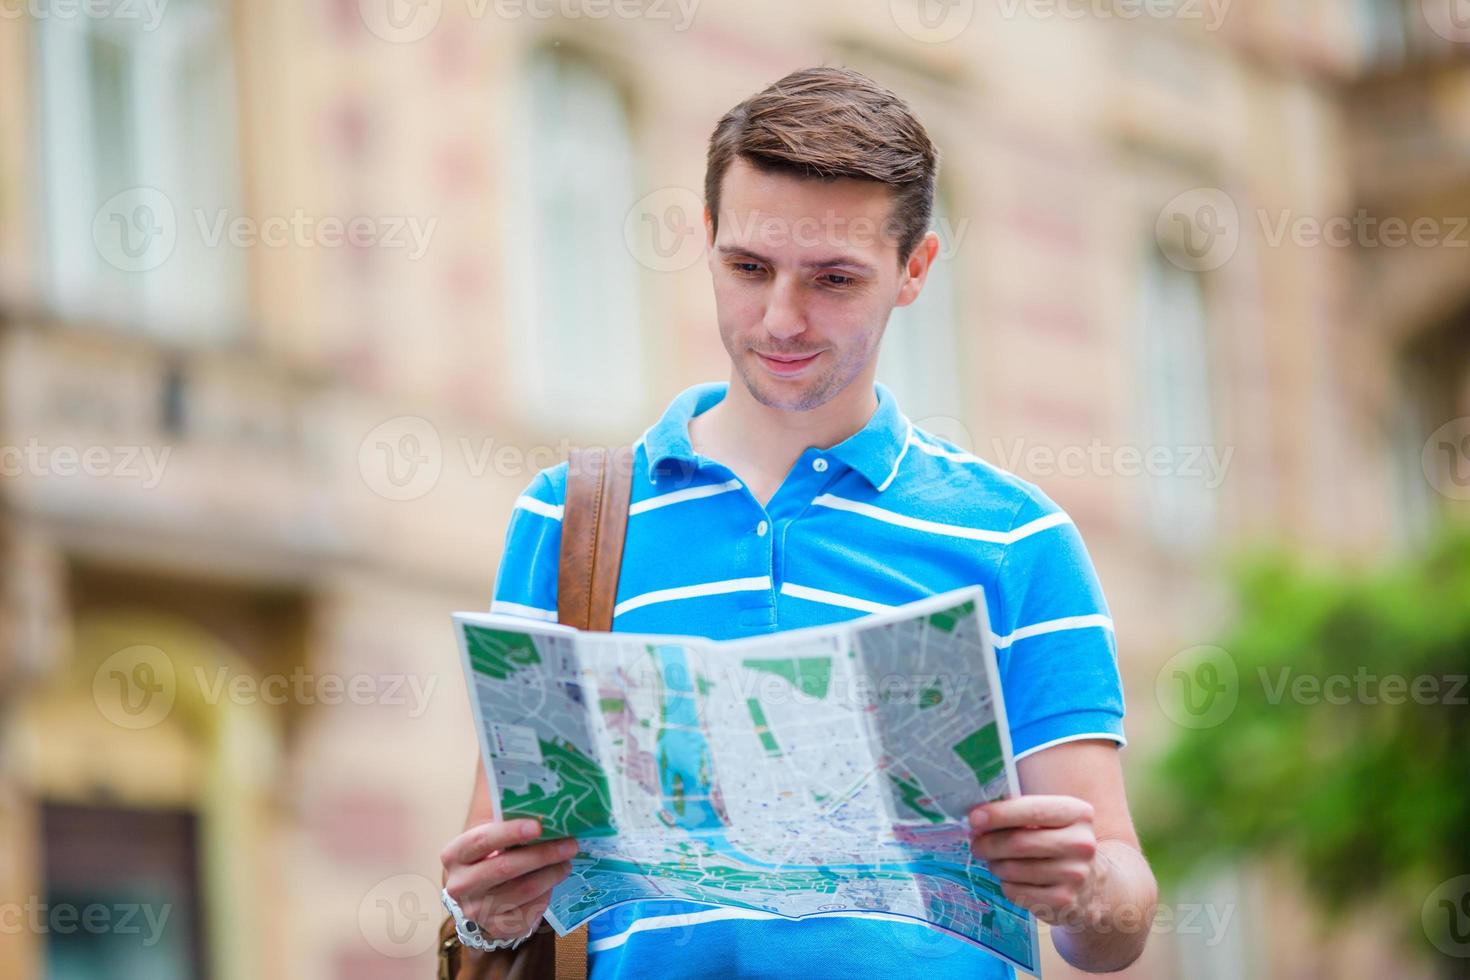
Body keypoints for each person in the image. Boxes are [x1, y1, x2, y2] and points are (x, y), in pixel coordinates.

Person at [440, 65, 1157, 978]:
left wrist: (1084, 886)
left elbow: (1118, 918)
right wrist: (487, 907)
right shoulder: (570, 518)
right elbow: (497, 882)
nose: (781, 318)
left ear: (915, 269)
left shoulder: (1019, 539)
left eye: (833, 278)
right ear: (705, 241)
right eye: (748, 267)